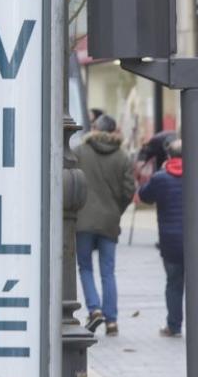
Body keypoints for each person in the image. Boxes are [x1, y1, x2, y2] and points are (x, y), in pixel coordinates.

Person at [75, 115, 136, 335]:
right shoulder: (122, 156)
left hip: (83, 220)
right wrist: (116, 209)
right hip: (110, 221)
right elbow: (130, 189)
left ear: (95, 128)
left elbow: (70, 180)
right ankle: (112, 320)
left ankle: (94, 309)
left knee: (85, 267)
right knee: (108, 271)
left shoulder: (81, 152)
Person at [138, 139, 184, 337]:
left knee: (173, 284)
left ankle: (173, 326)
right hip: (193, 241)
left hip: (170, 242)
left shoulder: (160, 178)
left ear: (169, 156)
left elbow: (144, 196)